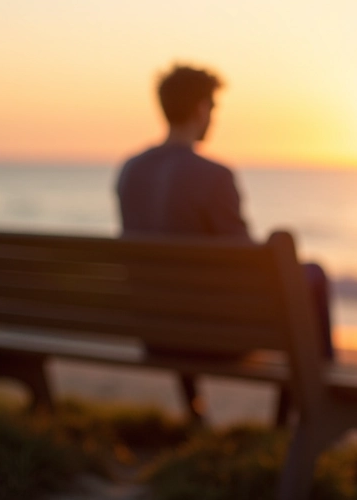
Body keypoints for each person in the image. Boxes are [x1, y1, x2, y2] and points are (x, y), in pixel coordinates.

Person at [115, 64, 334, 421]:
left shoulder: (130, 171)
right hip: (214, 339)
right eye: (214, 108)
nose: (214, 118)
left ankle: (195, 412)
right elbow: (247, 265)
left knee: (177, 286)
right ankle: (316, 398)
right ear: (201, 108)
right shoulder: (214, 176)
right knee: (312, 275)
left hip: (155, 334)